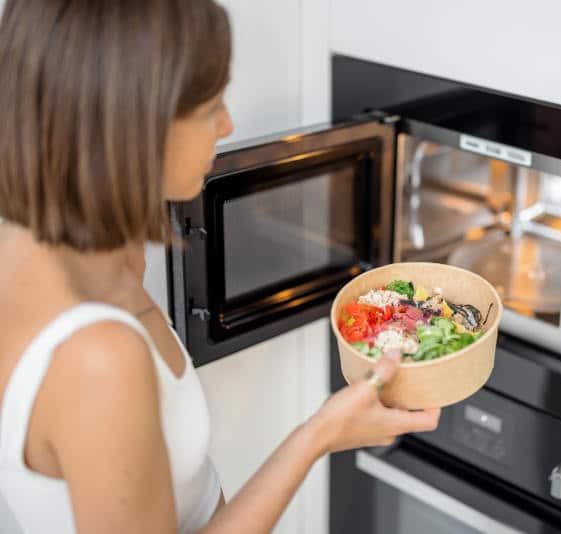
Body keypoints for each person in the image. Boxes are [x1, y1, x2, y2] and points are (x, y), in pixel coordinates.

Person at [0, 1, 440, 532]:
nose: (228, 125)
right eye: (211, 107)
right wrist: (319, 435)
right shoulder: (98, 359)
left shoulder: (77, 248)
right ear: (134, 126)